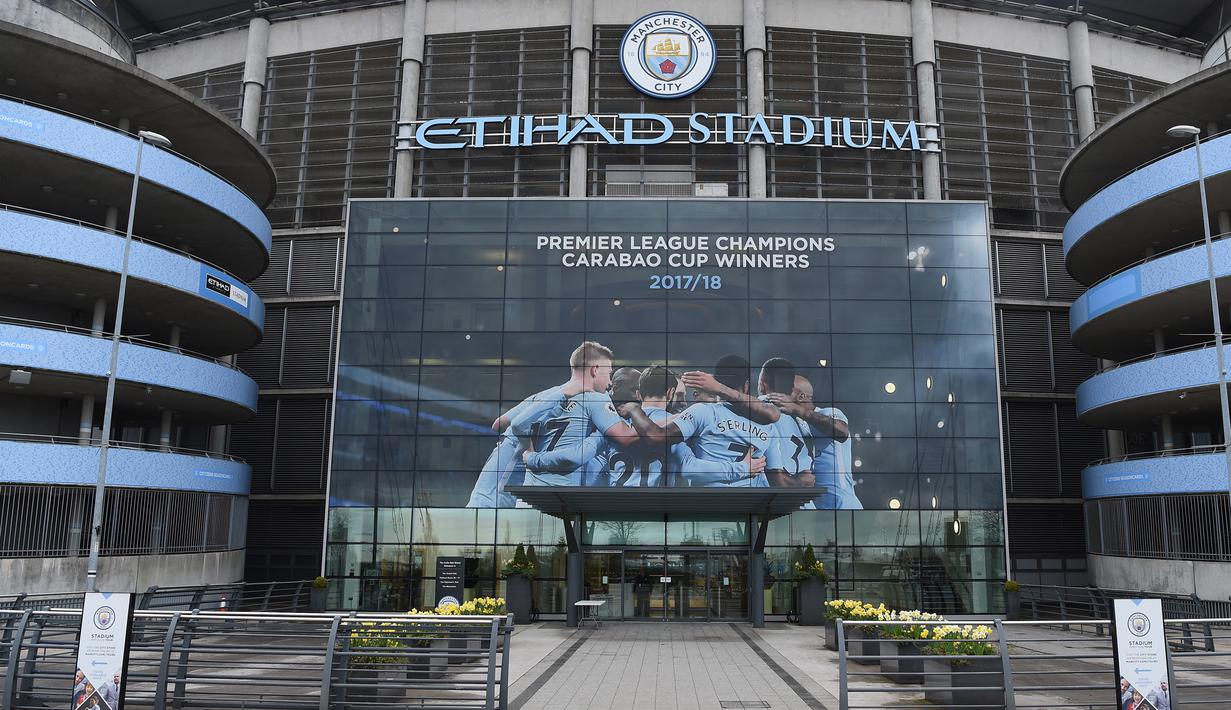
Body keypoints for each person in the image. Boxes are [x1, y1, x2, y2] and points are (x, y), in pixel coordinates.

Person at [524, 365, 766, 486]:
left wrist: (534, 459)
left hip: (615, 511)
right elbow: (692, 467)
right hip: (656, 510)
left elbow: (591, 467)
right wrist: (742, 469)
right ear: (671, 392)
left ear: (639, 393)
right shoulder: (674, 428)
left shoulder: (615, 426)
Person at [620, 354, 782, 487]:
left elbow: (687, 467)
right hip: (751, 504)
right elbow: (778, 482)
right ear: (747, 386)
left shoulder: (702, 412)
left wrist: (633, 409)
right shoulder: (769, 426)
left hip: (710, 505)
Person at [518, 342, 644, 487]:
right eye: (609, 374)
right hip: (560, 494)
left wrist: (528, 453)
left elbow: (512, 424)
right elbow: (625, 437)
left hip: (530, 492)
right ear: (595, 369)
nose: (609, 382)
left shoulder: (545, 396)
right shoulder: (597, 399)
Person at [770, 375, 860, 510]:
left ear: (800, 397)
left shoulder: (828, 412)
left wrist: (796, 409)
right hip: (814, 509)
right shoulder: (791, 425)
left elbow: (842, 432)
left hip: (842, 506)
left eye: (787, 390)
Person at [757, 358, 815, 491]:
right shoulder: (802, 416)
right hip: (806, 498)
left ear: (762, 385)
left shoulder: (759, 407)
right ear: (791, 388)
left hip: (780, 498)